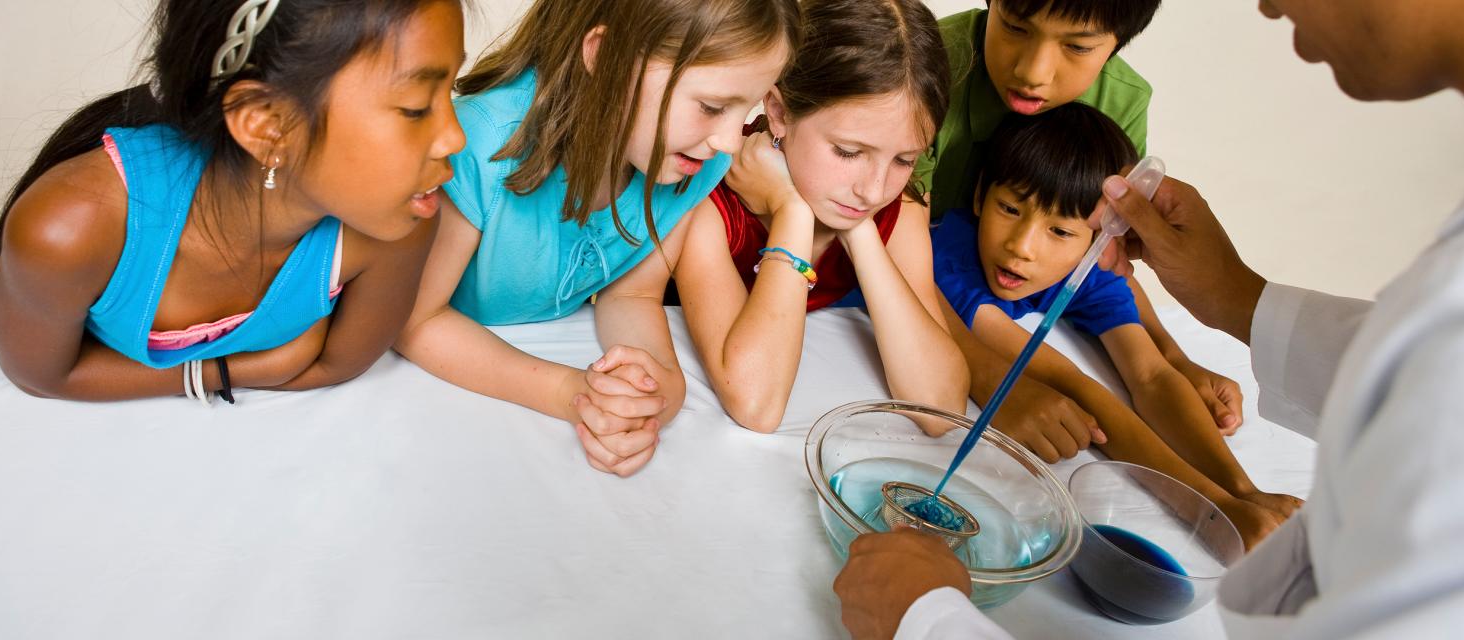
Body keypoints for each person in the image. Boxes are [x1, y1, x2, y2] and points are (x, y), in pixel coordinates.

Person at [834, 0, 1464, 637]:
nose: (1266, 5)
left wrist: (928, 622)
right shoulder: (945, 172)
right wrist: (1239, 305)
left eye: (1079, 44)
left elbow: (1128, 345)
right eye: (1016, 24)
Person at [0, 0, 468, 402]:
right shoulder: (70, 228)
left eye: (452, 90)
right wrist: (235, 370)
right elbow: (42, 376)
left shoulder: (397, 221)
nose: (455, 139)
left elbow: (335, 365)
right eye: (415, 108)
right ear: (266, 124)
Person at [394, 0, 800, 477]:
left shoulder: (693, 158)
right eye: (711, 107)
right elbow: (416, 319)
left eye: (746, 109)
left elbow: (631, 291)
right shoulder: (481, 142)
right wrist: (570, 392)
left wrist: (651, 387)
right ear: (606, 57)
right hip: (433, 426)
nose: (731, 142)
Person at [933, 102, 1298, 547]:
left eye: (1061, 232)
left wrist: (1243, 494)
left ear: (1101, 238)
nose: (1021, 247)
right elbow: (1069, 380)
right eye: (1009, 208)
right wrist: (1210, 512)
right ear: (978, 196)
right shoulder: (947, 253)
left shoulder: (1087, 269)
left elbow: (1152, 374)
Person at [670, 0, 966, 433]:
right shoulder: (710, 198)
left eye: (904, 159)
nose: (873, 189)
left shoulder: (896, 208)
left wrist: (861, 233)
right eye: (849, 152)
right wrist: (791, 212)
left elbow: (940, 409)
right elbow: (756, 402)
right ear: (779, 112)